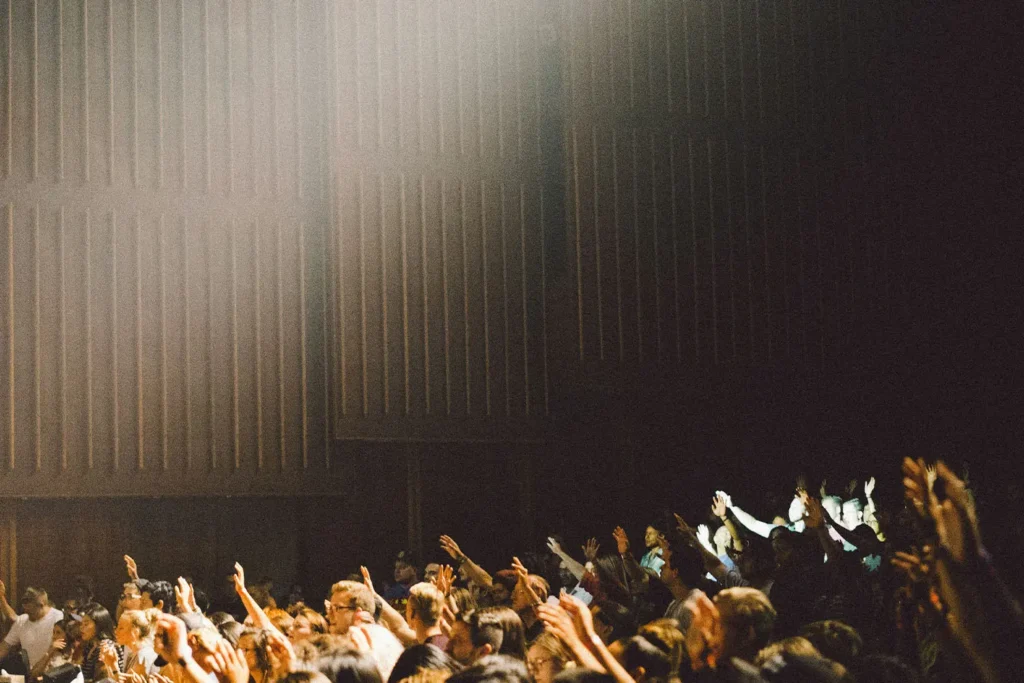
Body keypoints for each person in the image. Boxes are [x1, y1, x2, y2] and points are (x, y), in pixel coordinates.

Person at [0, 587, 65, 671]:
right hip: (31, 675)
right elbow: (4, 647)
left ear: (41, 605)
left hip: (54, 674)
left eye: (30, 610)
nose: (27, 612)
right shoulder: (22, 621)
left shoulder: (58, 618)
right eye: (25, 609)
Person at [78, 604, 121, 682]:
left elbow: (103, 679)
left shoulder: (106, 646)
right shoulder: (90, 645)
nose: (81, 627)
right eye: (81, 624)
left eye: (86, 624)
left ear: (99, 625)